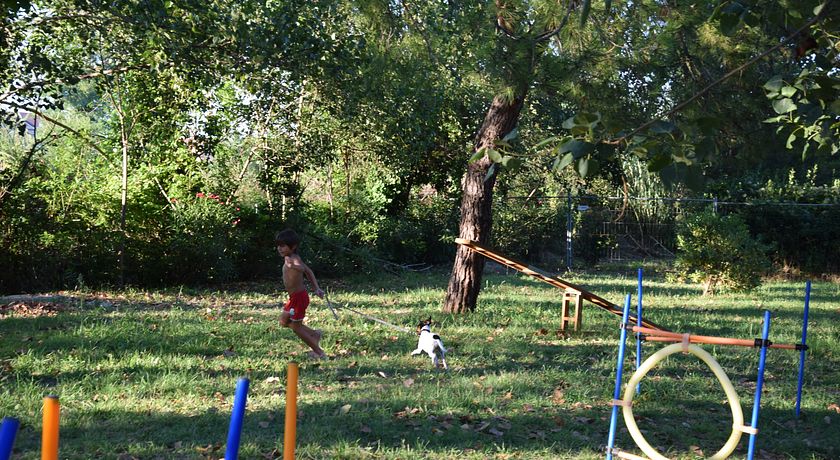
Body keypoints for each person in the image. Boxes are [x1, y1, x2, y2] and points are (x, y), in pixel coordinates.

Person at [275, 229, 327, 359]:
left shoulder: (294, 259)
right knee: (283, 322)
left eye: (283, 246)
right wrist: (316, 289)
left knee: (296, 327)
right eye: (278, 245)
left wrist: (294, 266)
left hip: (299, 298)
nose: (279, 248)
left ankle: (319, 352)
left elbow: (303, 269)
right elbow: (308, 271)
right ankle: (315, 334)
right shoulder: (290, 258)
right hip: (294, 298)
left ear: (293, 247)